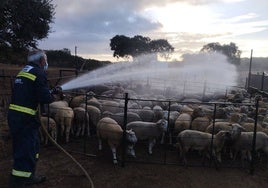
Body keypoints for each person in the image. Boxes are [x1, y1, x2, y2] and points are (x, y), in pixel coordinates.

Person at [8, 49, 61, 187]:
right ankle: (19, 181)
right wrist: (53, 95)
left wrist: (50, 91)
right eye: (46, 59)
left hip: (16, 116)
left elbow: (32, 91)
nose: (46, 62)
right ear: (41, 60)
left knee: (30, 147)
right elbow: (44, 98)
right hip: (26, 118)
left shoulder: (25, 71)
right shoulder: (39, 72)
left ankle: (28, 175)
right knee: (26, 149)